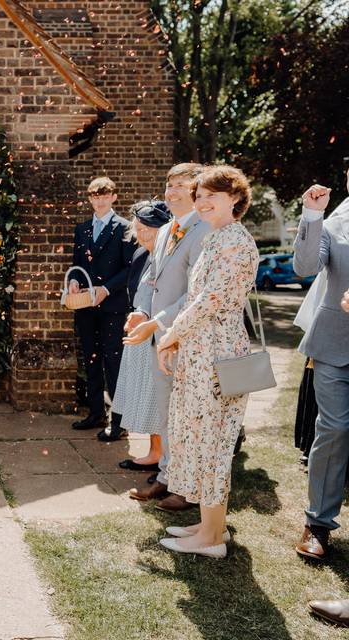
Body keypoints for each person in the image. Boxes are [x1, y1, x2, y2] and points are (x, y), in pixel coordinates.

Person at [154, 165, 259, 558]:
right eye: (198, 196)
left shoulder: (234, 240)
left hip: (218, 353)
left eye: (210, 195)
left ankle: (212, 539)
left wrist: (171, 333)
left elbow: (209, 300)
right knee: (200, 438)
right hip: (202, 349)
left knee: (212, 442)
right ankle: (209, 524)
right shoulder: (217, 237)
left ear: (234, 198)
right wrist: (179, 339)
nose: (201, 202)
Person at [126, 162, 206, 512]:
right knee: (165, 414)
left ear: (198, 191)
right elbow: (151, 279)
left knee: (188, 417)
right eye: (169, 185)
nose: (171, 192)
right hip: (161, 339)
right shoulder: (168, 229)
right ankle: (167, 476)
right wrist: (142, 312)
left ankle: (189, 488)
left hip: (189, 339)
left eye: (180, 185)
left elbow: (197, 293)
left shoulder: (205, 231)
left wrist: (156, 321)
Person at [293, 182, 349, 562]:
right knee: (334, 429)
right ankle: (318, 524)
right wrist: (312, 215)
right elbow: (305, 267)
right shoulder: (334, 222)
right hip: (335, 344)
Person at [67, 177, 134, 434]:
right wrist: (74, 280)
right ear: (90, 199)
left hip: (113, 306)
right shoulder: (82, 229)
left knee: (113, 362)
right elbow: (77, 264)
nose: (100, 200)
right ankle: (95, 413)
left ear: (114, 197)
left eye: (104, 195)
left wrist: (106, 289)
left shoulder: (125, 228)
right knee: (91, 359)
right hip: (85, 305)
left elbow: (130, 268)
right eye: (95, 196)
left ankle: (119, 423)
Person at [112, 201, 171, 462]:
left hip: (158, 335)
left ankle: (159, 453)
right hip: (139, 333)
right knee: (145, 395)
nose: (143, 233)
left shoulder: (167, 257)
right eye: (139, 228)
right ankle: (153, 451)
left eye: (149, 228)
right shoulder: (139, 255)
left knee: (154, 396)